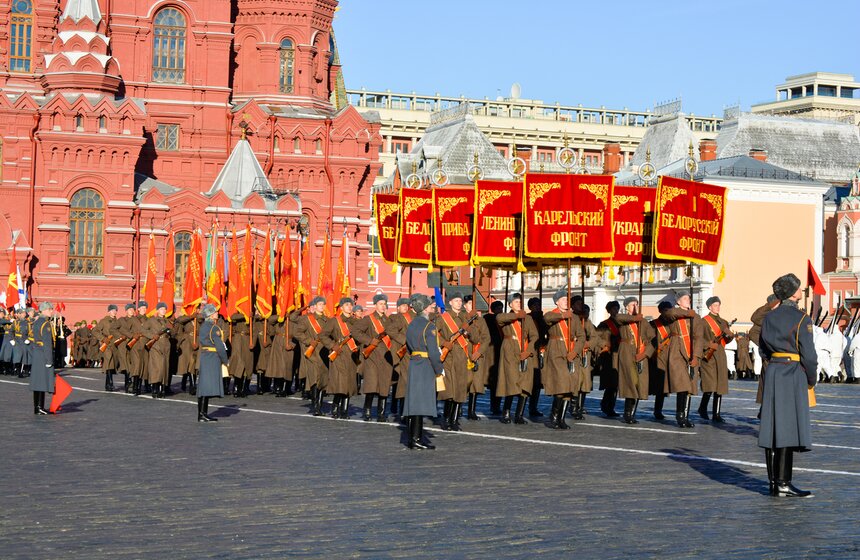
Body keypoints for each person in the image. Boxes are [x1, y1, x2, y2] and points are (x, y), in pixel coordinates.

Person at [758, 273, 817, 498]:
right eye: (799, 288)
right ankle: (783, 483)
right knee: (787, 430)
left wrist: (774, 363)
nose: (801, 291)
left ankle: (775, 483)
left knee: (773, 429)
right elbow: (809, 356)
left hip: (773, 371)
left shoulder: (769, 318)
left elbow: (763, 348)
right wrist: (810, 378)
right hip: (792, 373)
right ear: (793, 293)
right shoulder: (802, 318)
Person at [403, 293, 442, 450]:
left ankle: (413, 437)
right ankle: (416, 438)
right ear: (425, 308)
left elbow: (407, 346)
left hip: (414, 363)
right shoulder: (429, 326)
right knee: (420, 403)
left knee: (414, 402)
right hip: (426, 365)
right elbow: (433, 352)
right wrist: (439, 368)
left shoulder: (411, 324)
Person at [494, 293, 538, 424]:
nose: (519, 304)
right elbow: (499, 319)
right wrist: (516, 316)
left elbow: (534, 336)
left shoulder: (527, 319)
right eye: (516, 302)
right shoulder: (506, 316)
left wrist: (528, 350)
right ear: (510, 304)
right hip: (509, 350)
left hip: (524, 350)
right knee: (511, 381)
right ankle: (506, 412)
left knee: (525, 383)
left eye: (520, 302)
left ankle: (519, 414)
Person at [542, 289, 583, 429]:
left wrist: (575, 351)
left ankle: (561, 418)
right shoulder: (552, 314)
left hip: (571, 352)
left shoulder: (574, 317)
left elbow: (581, 336)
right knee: (562, 383)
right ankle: (553, 417)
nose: (566, 301)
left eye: (567, 299)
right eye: (564, 299)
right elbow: (547, 319)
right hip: (556, 351)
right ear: (557, 302)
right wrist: (562, 316)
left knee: (569, 387)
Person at [353, 293, 394, 422]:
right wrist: (370, 340)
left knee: (384, 384)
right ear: (375, 305)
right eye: (381, 304)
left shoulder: (389, 321)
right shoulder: (368, 319)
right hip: (372, 356)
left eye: (384, 304)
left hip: (386, 357)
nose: (383, 306)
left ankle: (381, 413)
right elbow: (355, 331)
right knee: (371, 384)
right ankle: (367, 410)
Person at [435, 289, 471, 430]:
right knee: (449, 390)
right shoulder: (443, 318)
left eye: (460, 301)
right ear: (450, 302)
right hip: (448, 357)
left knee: (460, 390)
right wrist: (444, 343)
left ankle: (455, 420)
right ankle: (446, 420)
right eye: (456, 300)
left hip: (462, 357)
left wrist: (469, 331)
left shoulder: (465, 317)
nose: (459, 303)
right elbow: (433, 333)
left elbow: (475, 337)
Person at [321, 297, 360, 419]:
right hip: (339, 354)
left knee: (348, 383)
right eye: (347, 305)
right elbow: (323, 335)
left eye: (350, 305)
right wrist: (333, 345)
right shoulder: (334, 321)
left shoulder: (356, 322)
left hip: (352, 355)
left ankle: (344, 411)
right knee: (340, 382)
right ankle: (336, 407)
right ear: (341, 307)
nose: (349, 307)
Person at [616, 297, 653, 425]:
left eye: (637, 304)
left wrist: (645, 353)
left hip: (641, 353)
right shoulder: (623, 319)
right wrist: (634, 319)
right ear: (626, 307)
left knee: (639, 383)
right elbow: (619, 318)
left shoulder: (642, 322)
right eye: (633, 305)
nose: (635, 307)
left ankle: (632, 413)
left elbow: (651, 339)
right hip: (627, 352)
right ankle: (627, 414)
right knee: (630, 381)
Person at [698, 296, 734, 422]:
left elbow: (725, 341)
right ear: (709, 307)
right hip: (708, 356)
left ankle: (716, 414)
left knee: (720, 386)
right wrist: (708, 344)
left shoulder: (723, 322)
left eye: (719, 305)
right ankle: (702, 408)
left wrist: (730, 336)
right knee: (710, 385)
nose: (717, 307)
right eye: (715, 305)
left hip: (720, 356)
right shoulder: (703, 322)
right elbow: (698, 339)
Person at [294, 296, 329, 415]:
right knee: (314, 377)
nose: (322, 306)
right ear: (315, 306)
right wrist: (309, 341)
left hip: (323, 352)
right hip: (312, 352)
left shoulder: (327, 320)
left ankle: (318, 404)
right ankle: (316, 406)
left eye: (323, 304)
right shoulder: (307, 319)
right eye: (320, 304)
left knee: (323, 379)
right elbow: (297, 332)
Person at [197, 304, 227, 422]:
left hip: (205, 356)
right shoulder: (214, 328)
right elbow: (219, 346)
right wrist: (225, 360)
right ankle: (202, 414)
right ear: (210, 315)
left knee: (204, 386)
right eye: (214, 312)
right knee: (207, 387)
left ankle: (201, 413)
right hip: (212, 358)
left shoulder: (203, 326)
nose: (217, 313)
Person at [464, 294, 491, 421]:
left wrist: (479, 352)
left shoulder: (481, 320)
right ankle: (457, 409)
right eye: (469, 304)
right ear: (465, 306)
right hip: (465, 352)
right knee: (463, 382)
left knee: (475, 384)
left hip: (478, 354)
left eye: (473, 304)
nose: (472, 307)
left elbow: (487, 338)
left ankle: (471, 411)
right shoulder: (462, 318)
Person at [387, 297, 413, 418]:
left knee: (403, 381)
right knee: (397, 381)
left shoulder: (411, 318)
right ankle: (394, 404)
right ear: (398, 307)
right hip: (397, 351)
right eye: (403, 305)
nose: (405, 307)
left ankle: (402, 408)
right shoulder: (395, 318)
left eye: (406, 305)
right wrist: (403, 340)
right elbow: (391, 331)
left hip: (407, 352)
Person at [29, 302, 56, 415]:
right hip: (43, 354)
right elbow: (47, 343)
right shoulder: (46, 324)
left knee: (37, 381)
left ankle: (37, 407)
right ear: (44, 310)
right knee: (42, 381)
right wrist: (49, 360)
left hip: (36, 353)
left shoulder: (36, 322)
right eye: (50, 309)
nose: (51, 311)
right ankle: (40, 407)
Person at [527, 296, 548, 417]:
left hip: (540, 350)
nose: (537, 307)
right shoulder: (528, 318)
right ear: (530, 307)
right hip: (530, 350)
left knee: (537, 382)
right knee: (528, 381)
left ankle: (533, 406)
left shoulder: (541, 318)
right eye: (535, 305)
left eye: (539, 305)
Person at [93, 304, 119, 391]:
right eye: (112, 310)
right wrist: (103, 339)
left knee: (113, 363)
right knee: (108, 362)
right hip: (107, 344)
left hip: (115, 344)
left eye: (115, 310)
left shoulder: (117, 321)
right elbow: (95, 331)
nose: (114, 312)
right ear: (109, 312)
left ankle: (108, 383)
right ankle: (110, 383)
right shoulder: (104, 321)